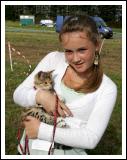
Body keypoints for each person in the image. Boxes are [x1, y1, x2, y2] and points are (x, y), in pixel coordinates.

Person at [13, 15, 117, 155]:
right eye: (68, 51)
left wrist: (40, 130)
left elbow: (90, 138)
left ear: (97, 45)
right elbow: (18, 94)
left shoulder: (107, 88)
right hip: (28, 151)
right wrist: (41, 96)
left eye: (82, 50)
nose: (75, 59)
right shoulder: (53, 60)